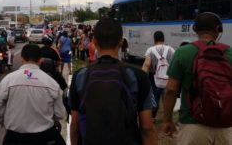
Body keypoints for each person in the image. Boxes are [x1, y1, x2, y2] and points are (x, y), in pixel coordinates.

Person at [69, 18, 156, 145]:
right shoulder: (137, 76)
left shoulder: (80, 76)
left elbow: (75, 127)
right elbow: (147, 128)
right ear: (121, 42)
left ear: (94, 41)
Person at [162, 12, 232, 144]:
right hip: (225, 124)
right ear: (218, 29)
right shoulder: (229, 53)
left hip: (192, 123)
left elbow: (171, 89)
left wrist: (167, 120)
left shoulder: (182, 52)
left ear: (195, 29)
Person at [0, 44, 66, 145]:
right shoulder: (51, 83)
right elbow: (60, 114)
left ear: (21, 58)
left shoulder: (8, 80)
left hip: (14, 138)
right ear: (41, 60)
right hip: (45, 138)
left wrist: (7, 125)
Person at [142, 30, 175, 119]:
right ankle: (167, 119)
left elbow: (147, 65)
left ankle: (153, 118)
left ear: (154, 39)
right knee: (167, 100)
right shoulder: (171, 49)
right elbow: (174, 64)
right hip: (168, 78)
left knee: (154, 99)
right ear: (163, 39)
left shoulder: (150, 50)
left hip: (154, 78)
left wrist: (142, 77)